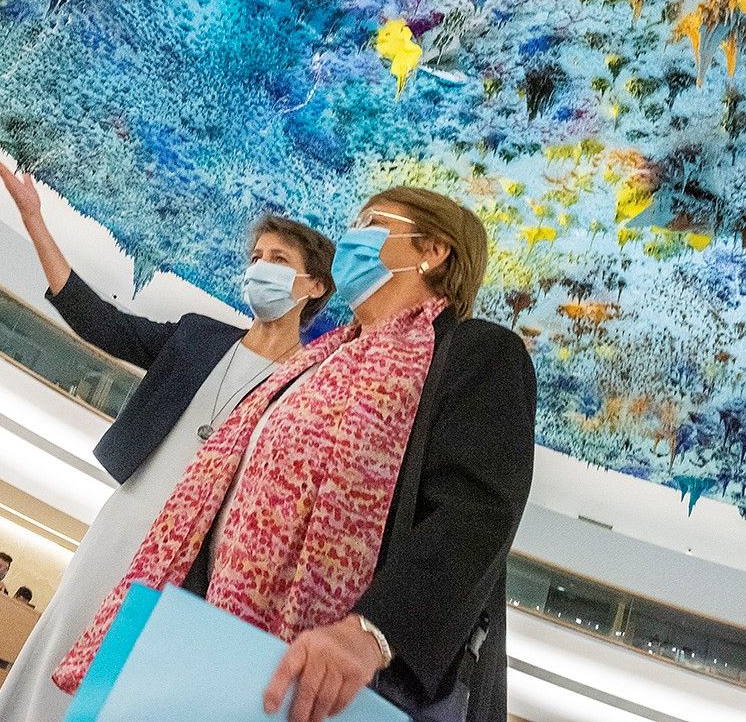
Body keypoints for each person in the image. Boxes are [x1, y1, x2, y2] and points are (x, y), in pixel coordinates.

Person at [54, 187, 536, 722]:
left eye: (372, 222)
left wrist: (370, 633)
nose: (352, 236)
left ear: (434, 250)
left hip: (343, 677)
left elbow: (475, 512)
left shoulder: (476, 352)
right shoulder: (316, 360)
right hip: (208, 639)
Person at [0, 147, 336, 722]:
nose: (260, 267)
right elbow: (100, 322)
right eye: (256, 256)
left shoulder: (312, 385)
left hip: (203, 557)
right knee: (66, 635)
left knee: (133, 680)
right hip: (131, 516)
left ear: (314, 285)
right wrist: (34, 220)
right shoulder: (197, 338)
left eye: (279, 258)